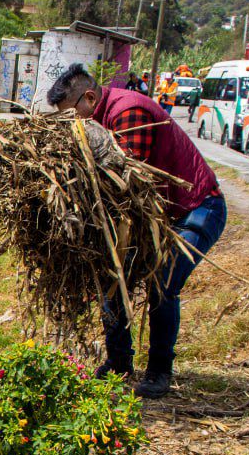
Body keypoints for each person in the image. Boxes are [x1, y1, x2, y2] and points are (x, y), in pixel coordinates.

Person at [46, 63, 226, 399]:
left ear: (89, 97)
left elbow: (125, 182)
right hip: (161, 217)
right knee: (113, 279)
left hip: (198, 210)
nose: (71, 126)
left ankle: (159, 371)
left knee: (162, 284)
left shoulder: (128, 112)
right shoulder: (102, 117)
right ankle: (118, 362)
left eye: (72, 116)